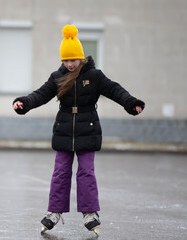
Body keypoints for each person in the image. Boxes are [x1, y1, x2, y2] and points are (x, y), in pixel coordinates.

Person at [12, 25, 145, 235]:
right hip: (64, 129)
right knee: (60, 172)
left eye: (73, 60)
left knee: (86, 172)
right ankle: (54, 212)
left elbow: (114, 89)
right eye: (66, 60)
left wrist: (131, 103)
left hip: (88, 128)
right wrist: (24, 102)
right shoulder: (58, 76)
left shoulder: (94, 76)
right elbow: (41, 94)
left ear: (81, 58)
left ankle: (89, 213)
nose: (69, 64)